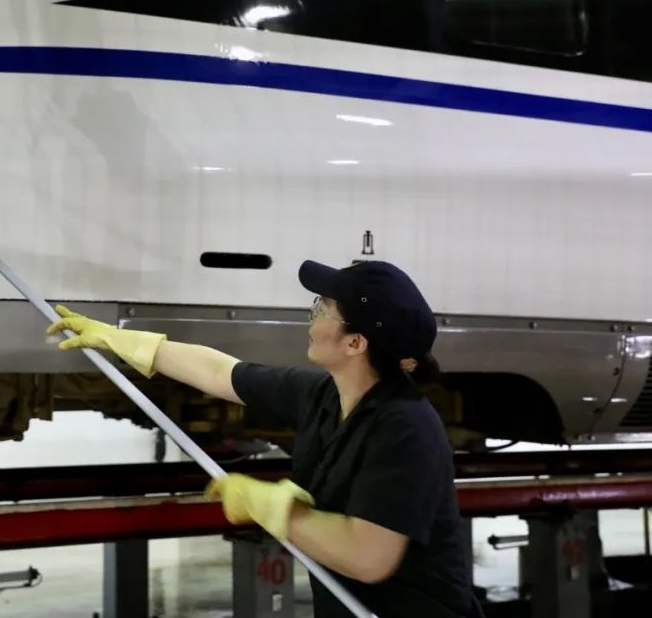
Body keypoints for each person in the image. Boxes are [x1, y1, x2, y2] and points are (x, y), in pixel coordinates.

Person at [46, 258, 483, 618]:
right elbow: (221, 372)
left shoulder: (405, 428)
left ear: (355, 343)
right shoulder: (324, 396)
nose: (311, 317)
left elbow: (369, 557)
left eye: (322, 309)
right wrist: (121, 340)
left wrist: (275, 508)